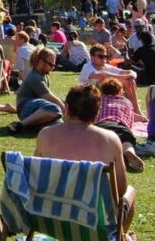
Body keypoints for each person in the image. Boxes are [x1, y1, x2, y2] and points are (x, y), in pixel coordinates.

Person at [35, 84, 136, 233]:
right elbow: (121, 190)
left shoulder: (45, 135)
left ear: (67, 108)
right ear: (97, 113)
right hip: (97, 224)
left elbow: (36, 178)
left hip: (54, 219)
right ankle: (121, 235)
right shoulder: (111, 140)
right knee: (131, 191)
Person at [80, 44, 146, 119]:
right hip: (86, 99)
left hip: (101, 98)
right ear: (92, 57)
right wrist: (125, 77)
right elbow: (103, 75)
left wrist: (131, 77)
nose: (104, 59)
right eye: (101, 57)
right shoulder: (87, 67)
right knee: (104, 81)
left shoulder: (106, 66)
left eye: (105, 56)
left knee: (128, 81)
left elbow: (130, 72)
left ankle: (136, 110)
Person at [7, 46, 64, 134]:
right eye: (51, 65)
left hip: (36, 108)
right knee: (55, 109)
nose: (53, 68)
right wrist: (67, 112)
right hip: (25, 108)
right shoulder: (35, 78)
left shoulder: (43, 75)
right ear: (41, 62)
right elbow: (51, 99)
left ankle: (33, 126)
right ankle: (20, 125)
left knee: (59, 123)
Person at [96, 79, 144, 172]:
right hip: (120, 126)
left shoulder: (99, 101)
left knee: (100, 141)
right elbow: (130, 123)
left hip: (102, 125)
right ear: (119, 91)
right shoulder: (126, 102)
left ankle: (104, 154)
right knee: (126, 141)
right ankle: (128, 151)